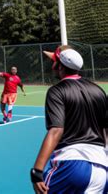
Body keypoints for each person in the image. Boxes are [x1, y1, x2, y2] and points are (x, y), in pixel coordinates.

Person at [31, 45, 107, 194]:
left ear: (59, 66)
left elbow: (56, 130)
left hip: (71, 164)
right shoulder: (98, 90)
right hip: (102, 167)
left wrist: (37, 171)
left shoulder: (57, 90)